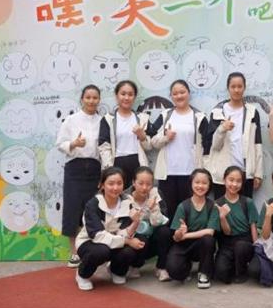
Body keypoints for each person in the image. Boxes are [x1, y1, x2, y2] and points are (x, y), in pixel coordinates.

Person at [56, 84, 102, 268]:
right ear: (82, 99)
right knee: (73, 209)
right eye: (88, 97)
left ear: (99, 100)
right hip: (75, 168)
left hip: (95, 168)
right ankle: (74, 253)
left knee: (93, 210)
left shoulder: (103, 121)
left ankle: (92, 251)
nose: (91, 101)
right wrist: (74, 144)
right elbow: (60, 144)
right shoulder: (71, 120)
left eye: (95, 97)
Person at [74, 167, 141, 291]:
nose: (115, 188)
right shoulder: (92, 205)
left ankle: (116, 271)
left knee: (129, 251)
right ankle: (82, 274)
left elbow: (124, 232)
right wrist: (126, 241)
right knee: (101, 251)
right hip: (90, 242)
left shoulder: (127, 202)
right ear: (102, 185)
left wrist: (136, 222)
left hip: (115, 240)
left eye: (119, 183)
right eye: (111, 183)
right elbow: (97, 235)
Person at [150, 79, 209, 219]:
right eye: (175, 93)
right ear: (171, 96)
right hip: (168, 173)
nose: (179, 96)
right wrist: (165, 137)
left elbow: (207, 145)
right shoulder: (166, 115)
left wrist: (204, 170)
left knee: (189, 212)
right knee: (169, 212)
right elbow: (152, 141)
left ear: (188, 93)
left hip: (191, 173)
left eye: (182, 92)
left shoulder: (199, 117)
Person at [206, 72, 263, 198]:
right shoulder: (217, 112)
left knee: (245, 207)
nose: (236, 90)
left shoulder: (252, 112)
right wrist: (222, 129)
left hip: (245, 173)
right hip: (222, 174)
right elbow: (214, 146)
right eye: (233, 87)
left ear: (244, 88)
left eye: (240, 86)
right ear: (228, 88)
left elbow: (257, 143)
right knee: (221, 207)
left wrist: (258, 173)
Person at [166, 168, 219, 289]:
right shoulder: (183, 206)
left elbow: (210, 231)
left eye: (204, 183)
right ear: (191, 183)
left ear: (209, 185)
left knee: (208, 240)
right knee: (174, 271)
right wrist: (179, 233)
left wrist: (186, 235)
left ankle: (204, 273)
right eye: (197, 182)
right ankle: (186, 267)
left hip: (202, 244)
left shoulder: (212, 206)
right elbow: (176, 238)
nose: (200, 186)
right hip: (184, 245)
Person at [123, 166, 172, 282]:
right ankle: (135, 265)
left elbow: (162, 221)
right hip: (134, 238)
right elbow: (124, 226)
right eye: (140, 183)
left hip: (153, 237)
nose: (144, 187)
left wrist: (154, 209)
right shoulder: (125, 198)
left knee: (165, 232)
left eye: (148, 184)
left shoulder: (156, 195)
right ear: (133, 182)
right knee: (140, 238)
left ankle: (161, 267)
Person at [98, 80, 151, 185]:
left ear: (134, 97)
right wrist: (110, 169)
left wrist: (142, 136)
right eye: (123, 94)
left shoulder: (143, 118)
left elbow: (149, 146)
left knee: (138, 194)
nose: (126, 98)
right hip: (116, 164)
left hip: (137, 163)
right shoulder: (108, 119)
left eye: (130, 94)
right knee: (117, 193)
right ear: (116, 96)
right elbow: (104, 146)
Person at [214, 166, 259, 284]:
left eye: (238, 181)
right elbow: (227, 232)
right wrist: (222, 217)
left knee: (240, 247)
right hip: (227, 243)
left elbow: (253, 225)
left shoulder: (247, 202)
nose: (234, 184)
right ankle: (233, 266)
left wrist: (256, 246)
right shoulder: (217, 204)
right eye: (231, 180)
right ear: (224, 180)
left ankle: (242, 272)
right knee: (222, 273)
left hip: (244, 242)